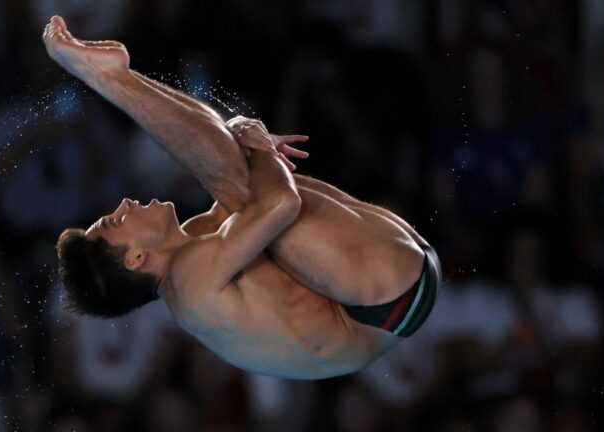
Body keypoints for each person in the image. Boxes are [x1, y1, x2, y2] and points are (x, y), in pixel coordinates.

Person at [44, 16, 440, 379]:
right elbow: (278, 202)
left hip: (388, 297)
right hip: (387, 298)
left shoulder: (198, 242)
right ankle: (112, 80)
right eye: (114, 223)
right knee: (243, 178)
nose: (123, 206)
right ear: (135, 259)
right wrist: (258, 141)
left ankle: (121, 77)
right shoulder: (188, 278)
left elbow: (220, 159)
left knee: (236, 172)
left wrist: (242, 131)